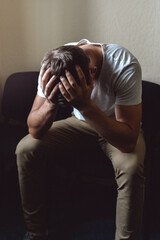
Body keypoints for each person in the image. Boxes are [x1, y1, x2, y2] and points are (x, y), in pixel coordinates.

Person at [16, 39, 146, 240]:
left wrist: (85, 105)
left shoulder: (123, 64)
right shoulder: (54, 66)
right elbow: (34, 128)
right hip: (80, 124)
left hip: (118, 126)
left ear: (92, 73)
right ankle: (36, 231)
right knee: (26, 148)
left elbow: (128, 141)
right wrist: (51, 104)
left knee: (131, 167)